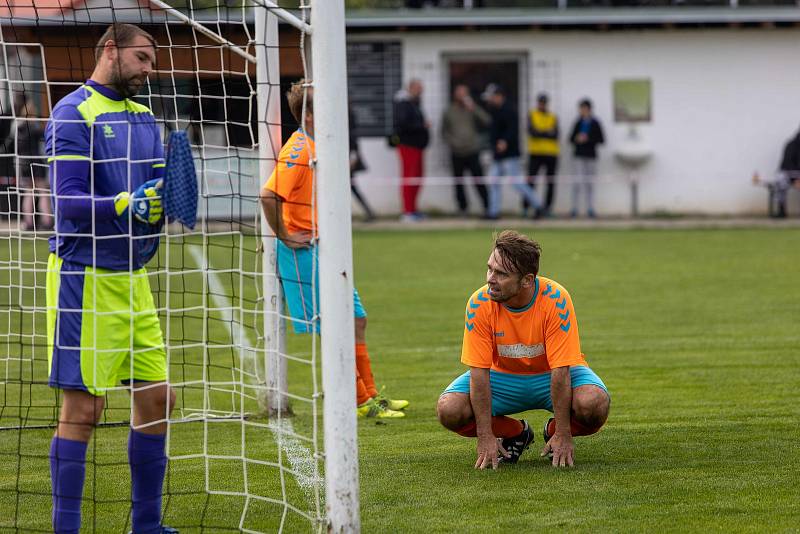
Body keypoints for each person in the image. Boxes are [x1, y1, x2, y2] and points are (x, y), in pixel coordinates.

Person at [44, 24, 177, 534]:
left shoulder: (145, 118)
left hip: (133, 276)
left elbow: (160, 190)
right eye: (141, 58)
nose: (148, 70)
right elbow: (69, 205)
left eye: (151, 62)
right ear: (110, 50)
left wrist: (164, 200)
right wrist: (127, 203)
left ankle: (146, 524)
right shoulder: (72, 113)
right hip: (85, 277)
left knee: (157, 398)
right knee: (85, 407)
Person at [260, 80, 408, 419]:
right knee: (334, 326)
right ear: (309, 115)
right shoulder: (299, 150)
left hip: (326, 250)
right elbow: (268, 196)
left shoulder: (318, 145)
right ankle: (358, 402)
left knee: (357, 319)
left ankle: (371, 396)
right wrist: (284, 235)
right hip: (303, 251)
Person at [436, 230, 610, 469]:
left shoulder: (556, 299)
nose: (490, 279)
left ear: (527, 280)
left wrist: (563, 431)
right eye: (490, 269)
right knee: (449, 410)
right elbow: (479, 372)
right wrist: (485, 434)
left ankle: (552, 431)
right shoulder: (478, 303)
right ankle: (516, 433)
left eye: (501, 274)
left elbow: (561, 370)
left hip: (551, 374)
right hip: (502, 378)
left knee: (594, 404)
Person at [484, 84, 542, 220]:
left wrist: (504, 141)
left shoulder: (510, 109)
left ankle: (539, 206)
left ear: (499, 96)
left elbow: (512, 129)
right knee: (493, 182)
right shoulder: (494, 110)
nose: (490, 100)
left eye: (492, 97)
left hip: (510, 155)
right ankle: (493, 212)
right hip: (498, 155)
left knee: (517, 183)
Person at [441, 84, 490, 217]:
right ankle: (463, 209)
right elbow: (444, 132)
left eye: (464, 93)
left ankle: (488, 207)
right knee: (459, 183)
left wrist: (473, 108)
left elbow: (487, 121)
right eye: (459, 93)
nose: (462, 96)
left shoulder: (472, 109)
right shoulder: (449, 111)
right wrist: (452, 143)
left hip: (472, 150)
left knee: (479, 180)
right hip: (456, 152)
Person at [393, 79, 429, 222]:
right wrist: (421, 125)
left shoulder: (415, 103)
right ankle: (407, 212)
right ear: (411, 88)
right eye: (419, 88)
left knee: (417, 178)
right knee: (409, 177)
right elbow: (403, 124)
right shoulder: (403, 104)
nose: (421, 91)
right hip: (408, 146)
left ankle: (413, 209)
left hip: (418, 147)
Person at [16, 95, 53, 231]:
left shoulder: (18, 127)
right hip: (36, 163)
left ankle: (28, 222)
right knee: (43, 191)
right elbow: (46, 138)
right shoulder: (35, 128)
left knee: (29, 193)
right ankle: (47, 221)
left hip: (23, 164)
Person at [569, 98, 604, 218]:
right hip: (579, 156)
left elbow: (601, 139)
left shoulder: (595, 122)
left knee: (590, 184)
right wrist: (577, 138)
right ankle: (574, 209)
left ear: (588, 109)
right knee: (577, 182)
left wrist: (588, 139)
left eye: (584, 108)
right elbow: (570, 138)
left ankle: (590, 209)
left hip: (591, 156)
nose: (582, 111)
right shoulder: (578, 122)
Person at [526, 93, 559, 217]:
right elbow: (532, 132)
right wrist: (546, 132)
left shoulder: (552, 116)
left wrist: (540, 131)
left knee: (550, 182)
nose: (542, 105)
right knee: (531, 181)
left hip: (551, 153)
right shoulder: (532, 114)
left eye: (544, 103)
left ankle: (547, 208)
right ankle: (528, 207)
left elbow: (555, 134)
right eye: (540, 102)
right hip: (535, 152)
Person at [349, 108, 376, 222]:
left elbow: (353, 142)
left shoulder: (349, 129)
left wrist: (353, 159)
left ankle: (369, 212)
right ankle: (369, 212)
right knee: (352, 188)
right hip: (346, 159)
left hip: (348, 161)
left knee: (352, 187)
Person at [773, 126, 800, 218]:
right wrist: (796, 179)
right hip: (790, 175)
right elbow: (786, 164)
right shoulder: (791, 145)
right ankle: (781, 210)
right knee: (780, 179)